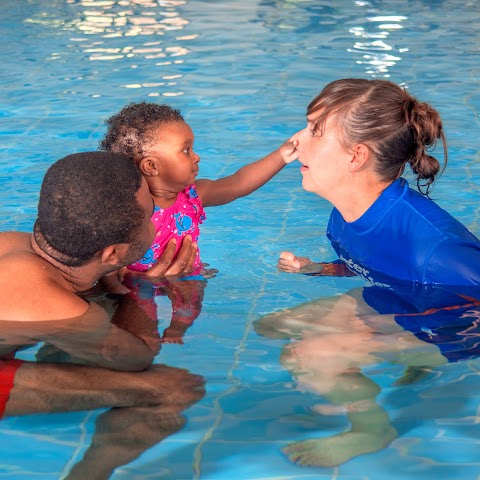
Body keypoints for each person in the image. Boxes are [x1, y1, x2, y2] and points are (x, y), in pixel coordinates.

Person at [255, 79, 480, 467]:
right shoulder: (346, 212)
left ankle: (372, 428)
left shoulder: (438, 249)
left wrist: (413, 341)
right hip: (393, 299)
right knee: (273, 326)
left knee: (308, 354)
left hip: (446, 328)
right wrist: (320, 270)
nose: (296, 141)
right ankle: (403, 364)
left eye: (314, 131)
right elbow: (374, 265)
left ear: (356, 156)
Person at [0, 151, 205, 477]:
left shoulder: (11, 244)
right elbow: (135, 358)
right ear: (114, 254)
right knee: (172, 389)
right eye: (153, 212)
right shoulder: (60, 307)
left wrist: (109, 283)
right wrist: (142, 287)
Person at [98, 102, 298, 343]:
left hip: (186, 274)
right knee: (141, 324)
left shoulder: (193, 196)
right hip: (137, 283)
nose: (196, 156)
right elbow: (106, 256)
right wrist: (115, 284)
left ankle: (177, 331)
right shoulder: (128, 209)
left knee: (192, 297)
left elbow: (238, 184)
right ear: (151, 166)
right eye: (186, 151)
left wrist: (281, 156)